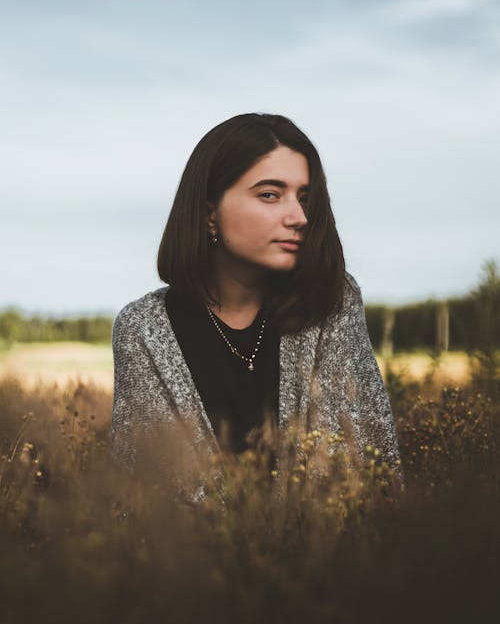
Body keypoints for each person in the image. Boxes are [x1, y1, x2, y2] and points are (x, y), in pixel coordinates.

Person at [110, 112, 403, 505]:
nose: (299, 217)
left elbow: (371, 470)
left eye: (304, 198)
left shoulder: (332, 304)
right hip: (192, 564)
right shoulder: (143, 329)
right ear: (209, 212)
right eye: (270, 194)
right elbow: (141, 496)